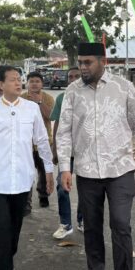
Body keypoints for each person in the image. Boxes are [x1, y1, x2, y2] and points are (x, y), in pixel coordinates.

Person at [57, 43, 135, 270]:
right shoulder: (73, 91)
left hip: (120, 170)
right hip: (86, 172)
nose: (82, 67)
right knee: (92, 228)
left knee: (121, 224)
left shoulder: (123, 87)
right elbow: (64, 131)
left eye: (88, 62)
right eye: (80, 62)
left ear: (103, 61)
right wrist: (65, 167)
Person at [0, 66, 55, 270]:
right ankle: (3, 268)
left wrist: (48, 170)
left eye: (19, 79)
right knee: (2, 227)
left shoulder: (31, 108)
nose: (18, 83)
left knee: (15, 227)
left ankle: (7, 259)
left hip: (22, 179)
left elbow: (42, 140)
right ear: (0, 84)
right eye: (12, 80)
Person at [49, 66, 83, 239]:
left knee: (86, 188)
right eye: (70, 76)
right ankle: (65, 223)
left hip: (85, 152)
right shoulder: (62, 98)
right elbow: (57, 127)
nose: (73, 79)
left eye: (77, 76)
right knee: (63, 187)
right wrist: (55, 150)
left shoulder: (91, 97)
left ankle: (82, 220)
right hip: (66, 151)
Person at [20, 71, 55, 211]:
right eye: (31, 81)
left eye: (37, 81)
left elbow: (50, 116)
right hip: (26, 143)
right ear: (27, 83)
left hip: (44, 142)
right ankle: (26, 202)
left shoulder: (48, 98)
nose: (34, 84)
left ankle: (43, 195)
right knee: (26, 172)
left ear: (42, 83)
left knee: (43, 171)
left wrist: (38, 102)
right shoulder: (21, 98)